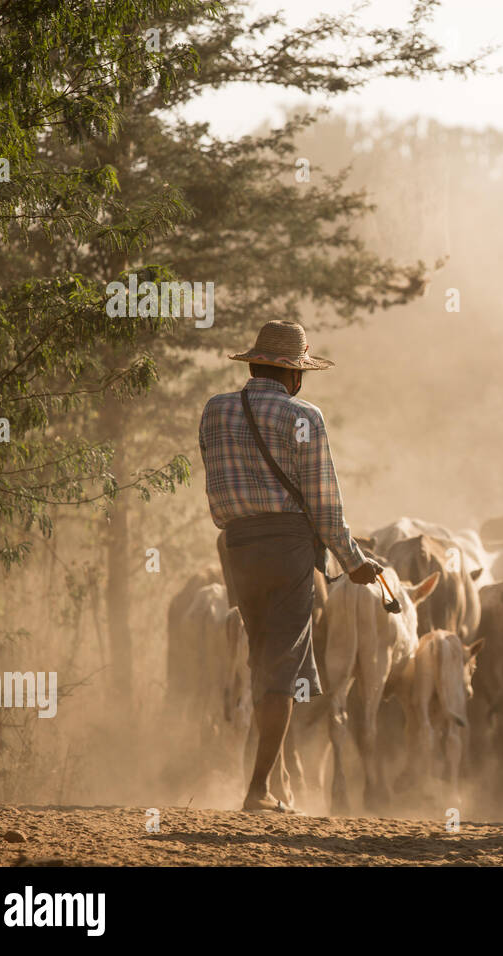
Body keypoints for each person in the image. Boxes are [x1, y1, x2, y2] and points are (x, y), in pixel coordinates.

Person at [198, 319, 383, 813]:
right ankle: (258, 790)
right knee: (281, 668)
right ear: (294, 375)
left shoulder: (215, 411)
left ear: (254, 362)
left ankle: (270, 784)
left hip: (236, 547)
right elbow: (325, 505)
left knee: (260, 660)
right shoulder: (305, 416)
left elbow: (215, 481)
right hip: (288, 549)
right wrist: (354, 560)